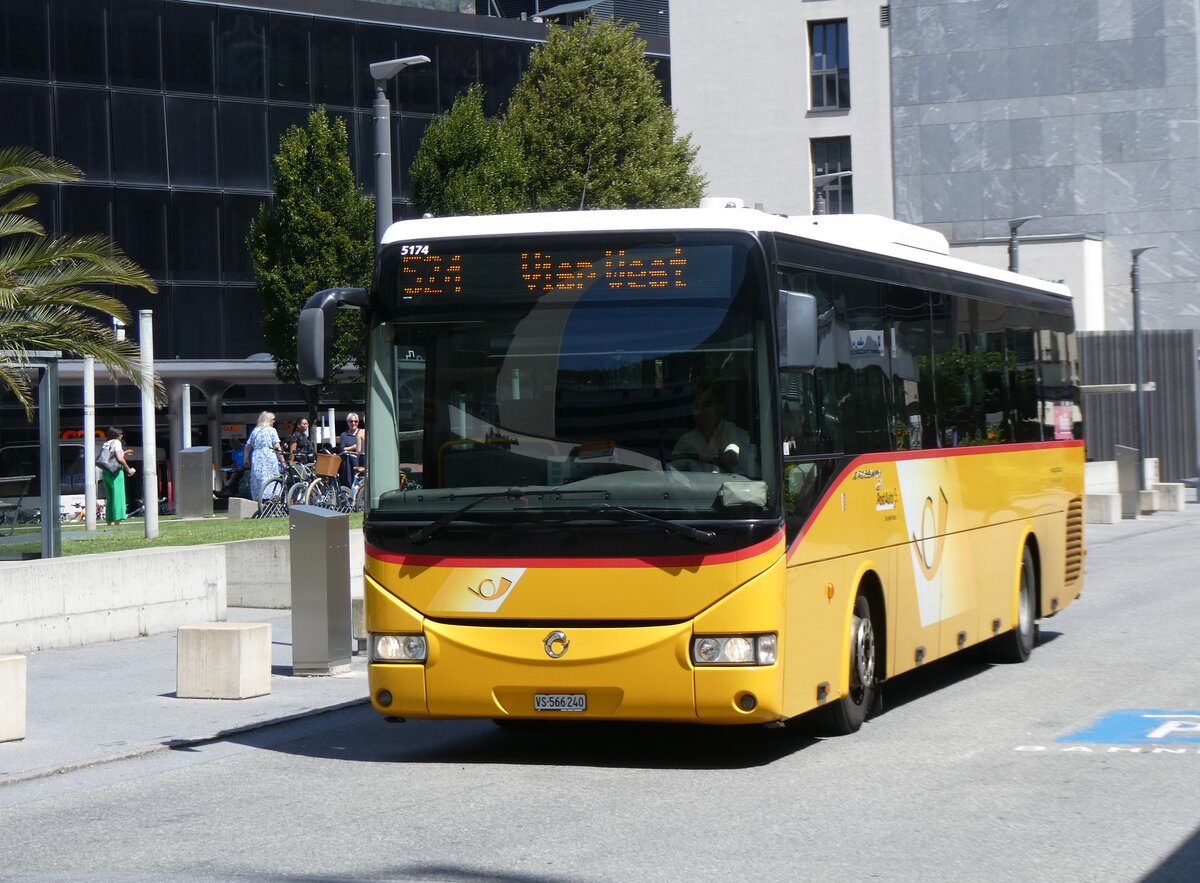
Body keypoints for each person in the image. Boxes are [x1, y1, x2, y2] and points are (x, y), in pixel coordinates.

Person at [672, 383, 751, 472]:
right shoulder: (686, 441)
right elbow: (671, 473)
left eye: (707, 404)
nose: (701, 411)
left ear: (720, 407)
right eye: (696, 406)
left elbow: (750, 475)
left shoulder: (738, 436)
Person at [243, 411, 285, 502]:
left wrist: (245, 458)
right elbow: (277, 446)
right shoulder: (272, 430)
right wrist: (282, 461)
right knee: (271, 478)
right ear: (268, 420)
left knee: (258, 479)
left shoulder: (255, 431)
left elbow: (247, 446)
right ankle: (272, 499)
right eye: (273, 419)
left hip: (257, 457)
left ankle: (259, 499)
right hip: (269, 456)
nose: (274, 421)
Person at [100, 426, 136, 525]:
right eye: (121, 434)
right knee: (118, 495)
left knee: (110, 496)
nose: (122, 436)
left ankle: (109, 520)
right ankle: (117, 519)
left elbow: (110, 458)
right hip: (116, 473)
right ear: (117, 435)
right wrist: (129, 470)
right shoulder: (117, 442)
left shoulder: (106, 443)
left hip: (106, 472)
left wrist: (123, 453)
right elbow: (119, 459)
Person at [338, 412, 365, 487]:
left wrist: (347, 448)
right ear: (347, 422)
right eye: (351, 421)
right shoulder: (344, 435)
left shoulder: (361, 432)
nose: (353, 423)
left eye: (355, 421)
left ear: (358, 422)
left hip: (358, 460)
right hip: (347, 462)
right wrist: (353, 446)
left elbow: (361, 449)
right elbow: (342, 449)